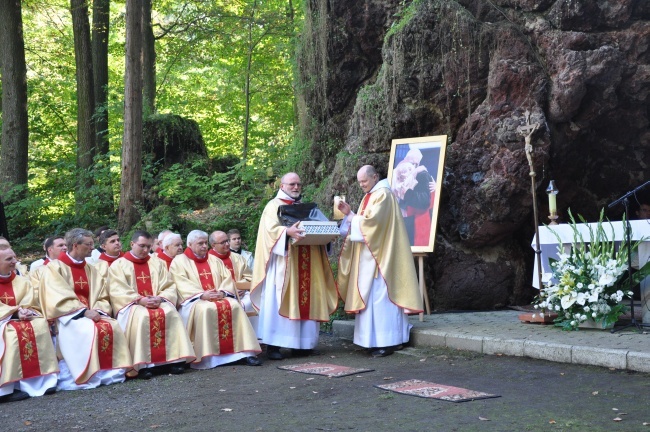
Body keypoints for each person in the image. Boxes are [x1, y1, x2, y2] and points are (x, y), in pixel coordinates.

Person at [337, 165, 423, 357]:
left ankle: (389, 341)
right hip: (371, 255)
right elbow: (365, 222)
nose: (361, 185)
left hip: (381, 257)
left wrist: (352, 216)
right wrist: (350, 215)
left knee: (382, 299)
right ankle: (373, 340)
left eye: (364, 181)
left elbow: (372, 225)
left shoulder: (383, 194)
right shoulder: (371, 194)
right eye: (359, 182)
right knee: (373, 300)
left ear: (375, 177)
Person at [250, 172, 338, 360]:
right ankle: (275, 345)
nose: (296, 187)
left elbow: (319, 227)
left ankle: (302, 344)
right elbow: (269, 233)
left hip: (308, 262)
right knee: (278, 300)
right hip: (284, 264)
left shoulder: (308, 208)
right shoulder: (272, 206)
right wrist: (286, 232)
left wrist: (327, 235)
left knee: (307, 297)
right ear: (282, 186)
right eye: (292, 184)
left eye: (298, 184)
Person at [39, 228, 131, 390]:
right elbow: (57, 296)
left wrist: (98, 310)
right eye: (88, 244)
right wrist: (83, 312)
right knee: (86, 328)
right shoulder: (54, 268)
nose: (92, 248)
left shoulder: (91, 269)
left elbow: (101, 294)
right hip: (68, 317)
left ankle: (108, 372)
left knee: (112, 325)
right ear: (75, 245)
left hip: (92, 313)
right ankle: (86, 373)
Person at [108, 230, 195, 379]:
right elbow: (117, 290)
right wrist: (140, 299)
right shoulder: (119, 265)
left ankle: (174, 360)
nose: (146, 250)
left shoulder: (157, 263)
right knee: (142, 316)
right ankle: (143, 365)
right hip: (133, 304)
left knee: (170, 312)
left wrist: (160, 298)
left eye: (148, 246)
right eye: (142, 246)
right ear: (132, 244)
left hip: (156, 300)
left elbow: (169, 285)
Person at [169, 230, 262, 368]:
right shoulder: (179, 261)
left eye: (205, 243)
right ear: (189, 244)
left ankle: (244, 353)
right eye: (200, 243)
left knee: (235, 305)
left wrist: (223, 292)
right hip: (194, 300)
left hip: (218, 296)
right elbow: (180, 283)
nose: (204, 246)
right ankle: (209, 357)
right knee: (206, 309)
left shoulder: (214, 260)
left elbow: (226, 279)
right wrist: (202, 295)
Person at [0, 246, 58, 402]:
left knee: (39, 325)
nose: (15, 262)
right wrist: (15, 312)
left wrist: (26, 311)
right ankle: (6, 388)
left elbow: (30, 301)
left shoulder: (21, 281)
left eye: (14, 257)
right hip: (2, 321)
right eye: (9, 259)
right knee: (11, 333)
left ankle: (42, 381)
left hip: (19, 318)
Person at [209, 230, 258, 332]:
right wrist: (231, 291)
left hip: (241, 294)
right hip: (220, 296)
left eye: (227, 241)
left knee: (254, 300)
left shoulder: (238, 258)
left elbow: (249, 276)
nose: (227, 244)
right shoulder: (208, 260)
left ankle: (252, 338)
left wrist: (242, 287)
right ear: (213, 245)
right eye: (223, 242)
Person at [391, 148, 435, 246]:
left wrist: (407, 193)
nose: (413, 165)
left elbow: (425, 200)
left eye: (415, 164)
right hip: (400, 219)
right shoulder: (397, 173)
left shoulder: (421, 174)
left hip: (414, 221)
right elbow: (398, 191)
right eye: (411, 162)